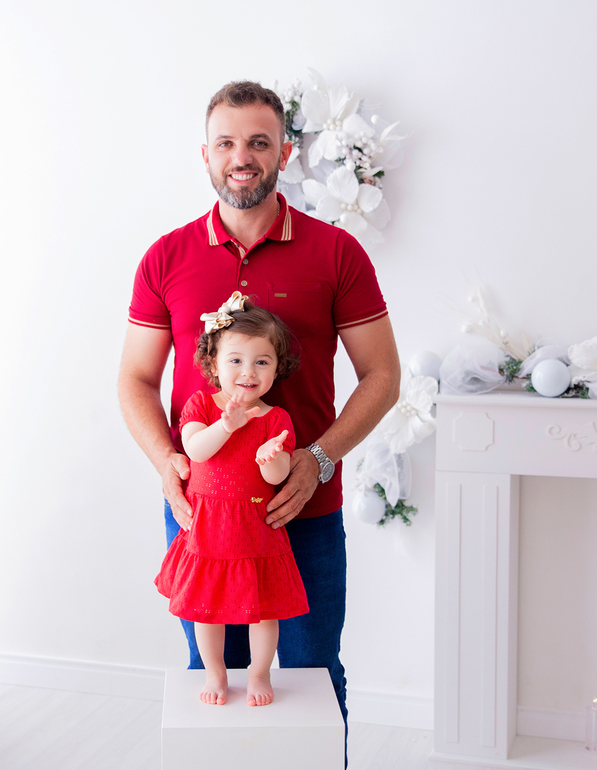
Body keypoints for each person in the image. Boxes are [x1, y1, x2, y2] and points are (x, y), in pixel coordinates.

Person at [119, 80, 400, 735]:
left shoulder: (338, 253)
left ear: (285, 153)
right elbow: (135, 378)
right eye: (226, 142)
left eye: (258, 142)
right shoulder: (166, 258)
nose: (241, 155)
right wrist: (167, 462)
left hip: (302, 515)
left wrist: (319, 459)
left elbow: (382, 375)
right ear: (206, 153)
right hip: (201, 521)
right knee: (212, 684)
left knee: (306, 685)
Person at [155, 293, 308, 706]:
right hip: (207, 528)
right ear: (214, 365)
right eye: (236, 360)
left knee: (263, 611)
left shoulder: (275, 419)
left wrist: (271, 458)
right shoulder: (202, 405)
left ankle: (259, 674)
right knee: (206, 610)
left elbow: (277, 477)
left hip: (255, 529)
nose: (248, 371)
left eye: (262, 361)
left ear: (277, 368)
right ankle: (216, 673)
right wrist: (226, 425)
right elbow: (196, 450)